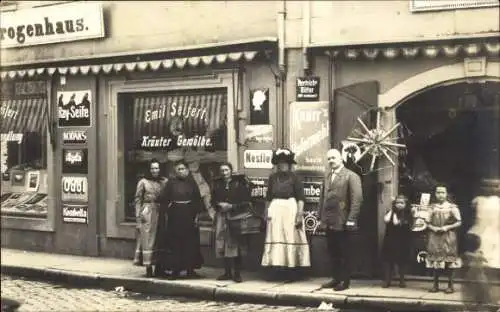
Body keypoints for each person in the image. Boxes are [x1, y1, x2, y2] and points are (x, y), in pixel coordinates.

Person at [261, 148, 310, 280]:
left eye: (285, 163)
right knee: (275, 237)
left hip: (290, 208)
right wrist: (266, 212)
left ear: (289, 164)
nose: (282, 165)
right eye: (280, 163)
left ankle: (292, 270)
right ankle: (276, 269)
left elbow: (301, 198)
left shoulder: (295, 178)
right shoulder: (272, 178)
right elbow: (268, 197)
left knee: (290, 237)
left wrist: (299, 215)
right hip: (275, 209)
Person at [319, 148, 363, 291]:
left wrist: (351, 219)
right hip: (329, 221)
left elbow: (357, 199)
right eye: (329, 159)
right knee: (333, 252)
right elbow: (322, 199)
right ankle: (336, 278)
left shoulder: (351, 176)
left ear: (341, 159)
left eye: (334, 158)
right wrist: (321, 218)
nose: (331, 161)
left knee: (344, 252)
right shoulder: (327, 176)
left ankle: (345, 282)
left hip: (343, 221)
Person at [159, 160, 204, 280]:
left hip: (189, 215)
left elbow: (197, 199)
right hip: (175, 216)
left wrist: (196, 216)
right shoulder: (171, 183)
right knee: (175, 244)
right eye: (178, 169)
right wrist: (168, 209)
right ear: (175, 171)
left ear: (187, 170)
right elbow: (163, 198)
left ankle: (190, 270)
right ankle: (175, 270)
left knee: (190, 243)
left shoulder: (192, 183)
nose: (181, 171)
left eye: (183, 169)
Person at [211, 162, 252, 283]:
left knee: (236, 244)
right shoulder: (218, 185)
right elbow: (212, 200)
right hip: (221, 217)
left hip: (235, 217)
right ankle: (227, 272)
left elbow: (247, 202)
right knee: (223, 243)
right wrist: (219, 205)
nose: (224, 173)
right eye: (222, 170)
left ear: (231, 171)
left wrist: (232, 206)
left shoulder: (239, 184)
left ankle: (237, 273)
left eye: (226, 170)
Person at [133, 159, 168, 277]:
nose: (154, 171)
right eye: (152, 168)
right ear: (149, 169)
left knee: (160, 237)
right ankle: (148, 267)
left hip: (161, 211)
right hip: (148, 211)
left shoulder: (164, 181)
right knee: (148, 239)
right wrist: (138, 216)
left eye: (157, 168)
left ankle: (159, 266)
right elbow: (137, 200)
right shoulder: (143, 182)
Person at [425, 184, 462, 294]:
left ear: (447, 194)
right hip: (435, 236)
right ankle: (435, 285)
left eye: (443, 192)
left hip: (448, 236)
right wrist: (433, 228)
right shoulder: (432, 207)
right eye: (438, 192)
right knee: (436, 261)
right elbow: (426, 222)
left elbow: (459, 222)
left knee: (449, 261)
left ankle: (450, 285)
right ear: (435, 194)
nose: (440, 195)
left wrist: (447, 227)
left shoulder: (452, 207)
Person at [381, 194, 413, 288]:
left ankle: (402, 280)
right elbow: (386, 220)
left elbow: (396, 223)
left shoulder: (407, 214)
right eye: (397, 203)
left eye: (401, 203)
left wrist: (394, 213)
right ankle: (387, 280)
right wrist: (392, 210)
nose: (399, 205)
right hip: (390, 239)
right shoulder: (391, 212)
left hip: (402, 240)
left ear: (405, 204)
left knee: (402, 261)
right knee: (388, 260)